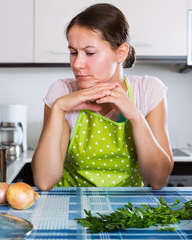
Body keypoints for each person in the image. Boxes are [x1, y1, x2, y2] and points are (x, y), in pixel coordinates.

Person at [32, 3, 173, 190]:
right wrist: (58, 108)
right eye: (73, 52)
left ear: (121, 53)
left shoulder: (148, 91)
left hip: (129, 211)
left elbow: (158, 179)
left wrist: (136, 117)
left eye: (90, 53)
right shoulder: (62, 92)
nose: (77, 64)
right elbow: (44, 181)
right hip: (70, 210)